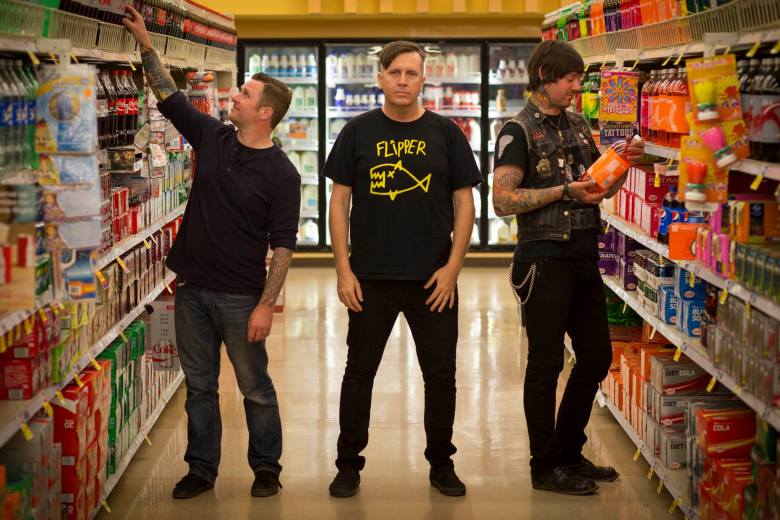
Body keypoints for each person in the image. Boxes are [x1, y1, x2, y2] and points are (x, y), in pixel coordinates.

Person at [122, 6, 301, 500]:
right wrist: (144, 42)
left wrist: (266, 304)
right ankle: (201, 469)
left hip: (242, 297)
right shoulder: (213, 137)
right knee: (199, 388)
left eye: (244, 94)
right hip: (193, 289)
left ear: (265, 112)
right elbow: (169, 97)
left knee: (255, 388)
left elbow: (283, 245)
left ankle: (267, 468)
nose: (234, 97)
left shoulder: (283, 174)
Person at [323, 40, 482, 498]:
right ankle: (348, 464)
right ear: (380, 77)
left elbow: (464, 202)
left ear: (423, 79)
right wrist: (342, 269)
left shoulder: (447, 133)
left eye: (412, 73)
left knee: (441, 375)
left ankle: (441, 464)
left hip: (433, 279)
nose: (402, 81)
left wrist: (453, 267)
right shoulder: (357, 131)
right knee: (359, 374)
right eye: (394, 72)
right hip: (370, 277)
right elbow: (339, 202)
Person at [492, 40, 644, 496]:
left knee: (596, 356)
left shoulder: (578, 124)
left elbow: (596, 190)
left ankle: (568, 450)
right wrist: (564, 191)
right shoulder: (517, 130)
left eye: (579, 79)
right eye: (570, 79)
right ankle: (545, 466)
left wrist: (622, 168)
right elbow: (502, 201)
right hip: (542, 259)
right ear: (544, 76)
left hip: (582, 254)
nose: (577, 88)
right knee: (545, 363)